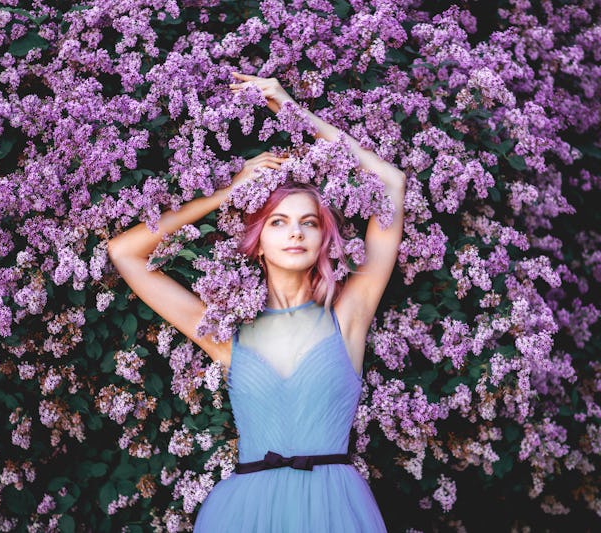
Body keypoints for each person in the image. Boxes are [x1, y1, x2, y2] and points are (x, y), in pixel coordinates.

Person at [107, 72, 406, 532]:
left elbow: (389, 182)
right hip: (247, 512)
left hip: (335, 510)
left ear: (324, 241)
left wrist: (287, 107)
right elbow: (124, 252)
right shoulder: (225, 334)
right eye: (279, 222)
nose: (296, 232)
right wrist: (227, 192)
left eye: (309, 223)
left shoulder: (348, 316)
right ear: (258, 242)